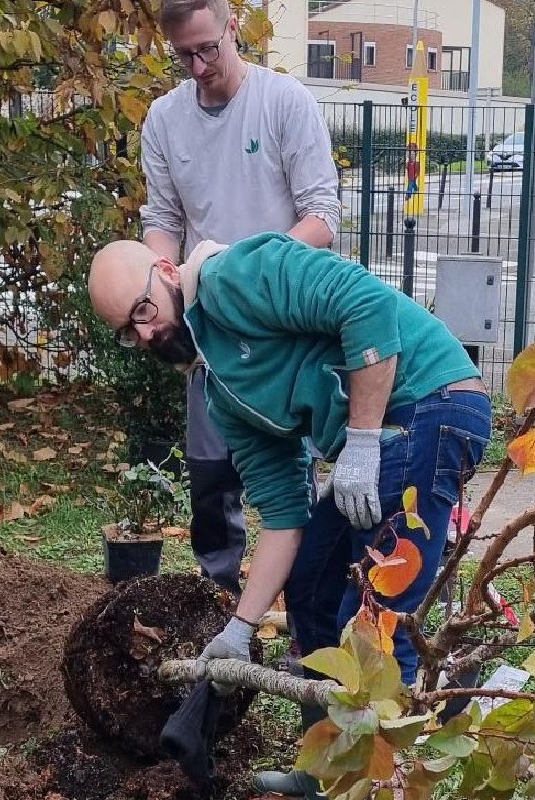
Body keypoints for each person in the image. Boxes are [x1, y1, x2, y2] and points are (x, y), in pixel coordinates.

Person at [88, 233, 491, 798]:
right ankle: (324, 771)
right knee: (312, 589)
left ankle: (379, 784)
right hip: (387, 432)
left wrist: (364, 438)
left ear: (166, 270)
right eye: (129, 333)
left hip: (433, 399)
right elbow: (283, 517)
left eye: (144, 311)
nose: (147, 333)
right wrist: (238, 629)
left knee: (378, 614)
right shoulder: (220, 393)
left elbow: (366, 303)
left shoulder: (236, 277)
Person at [140, 0, 339, 595]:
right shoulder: (164, 119)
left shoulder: (283, 102)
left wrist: (246, 270)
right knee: (211, 479)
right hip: (209, 329)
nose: (199, 67)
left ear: (232, 27)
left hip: (286, 327)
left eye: (208, 49)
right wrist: (162, 276)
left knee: (292, 479)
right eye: (184, 55)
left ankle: (306, 613)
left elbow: (322, 218)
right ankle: (219, 601)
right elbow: (162, 219)